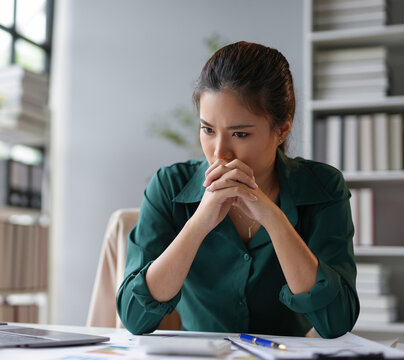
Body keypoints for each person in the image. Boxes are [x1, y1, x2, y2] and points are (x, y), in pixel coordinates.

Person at [116, 41, 359, 338]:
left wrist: (273, 218)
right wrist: (199, 223)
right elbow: (134, 316)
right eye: (207, 130)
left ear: (282, 129)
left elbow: (337, 322)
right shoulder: (169, 186)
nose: (220, 153)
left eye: (240, 134)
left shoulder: (323, 187)